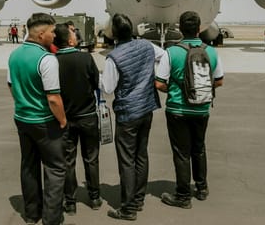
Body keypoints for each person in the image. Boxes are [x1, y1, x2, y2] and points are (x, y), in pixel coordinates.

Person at [155, 11, 224, 209]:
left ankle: (183, 196)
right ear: (199, 28)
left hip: (177, 109)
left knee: (181, 153)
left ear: (180, 29)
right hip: (201, 109)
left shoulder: (172, 52)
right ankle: (202, 188)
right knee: (199, 148)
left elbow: (159, 84)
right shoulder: (210, 52)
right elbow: (219, 81)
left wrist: (178, 90)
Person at [101, 13, 164, 221]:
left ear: (114, 34)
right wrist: (151, 76)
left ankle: (128, 208)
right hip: (147, 108)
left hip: (128, 112)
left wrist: (98, 78)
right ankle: (138, 198)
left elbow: (108, 88)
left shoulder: (114, 57)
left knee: (126, 160)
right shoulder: (147, 46)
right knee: (141, 155)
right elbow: (164, 56)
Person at [8, 13, 67, 225]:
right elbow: (53, 98)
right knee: (55, 168)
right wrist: (62, 120)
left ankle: (32, 214)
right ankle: (52, 218)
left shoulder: (14, 55)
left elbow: (11, 86)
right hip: (43, 122)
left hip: (22, 118)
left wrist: (23, 103)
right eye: (52, 31)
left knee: (28, 166)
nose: (54, 35)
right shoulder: (47, 59)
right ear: (41, 34)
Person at [54, 23, 102, 215]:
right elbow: (96, 82)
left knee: (68, 160)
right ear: (70, 40)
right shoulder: (85, 58)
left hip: (65, 118)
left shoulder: (53, 61)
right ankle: (95, 196)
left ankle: (70, 201)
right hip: (88, 116)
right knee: (91, 158)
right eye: (73, 32)